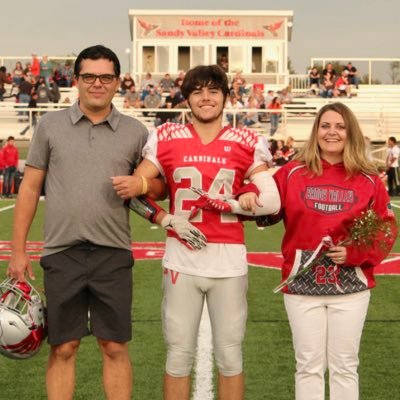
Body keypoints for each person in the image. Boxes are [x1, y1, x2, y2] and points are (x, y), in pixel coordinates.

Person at [112, 64, 281, 400]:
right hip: (181, 260)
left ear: (226, 97)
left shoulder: (246, 140)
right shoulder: (165, 137)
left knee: (230, 356)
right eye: (197, 91)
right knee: (178, 356)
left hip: (229, 260)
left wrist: (238, 198)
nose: (206, 98)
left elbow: (271, 203)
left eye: (213, 90)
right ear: (186, 98)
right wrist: (165, 219)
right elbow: (134, 191)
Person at [7, 44, 152, 400]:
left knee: (114, 346)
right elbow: (29, 189)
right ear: (76, 81)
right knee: (64, 346)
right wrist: (18, 251)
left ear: (119, 82)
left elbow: (154, 188)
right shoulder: (50, 125)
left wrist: (143, 182)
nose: (97, 83)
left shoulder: (136, 132)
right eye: (89, 76)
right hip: (62, 252)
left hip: (113, 254)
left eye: (106, 77)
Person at [249, 102, 397, 400]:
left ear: (350, 133)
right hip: (302, 285)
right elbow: (265, 205)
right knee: (308, 366)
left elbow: (385, 230)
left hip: (351, 287)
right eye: (326, 125)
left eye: (340, 126)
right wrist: (249, 193)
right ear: (316, 131)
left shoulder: (368, 179)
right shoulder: (292, 173)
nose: (332, 132)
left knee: (344, 366)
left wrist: (354, 251)